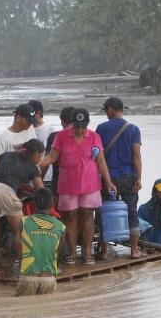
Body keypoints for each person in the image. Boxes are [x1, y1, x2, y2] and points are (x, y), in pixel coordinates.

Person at [39, 108, 115, 265]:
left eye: (82, 126)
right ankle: (73, 252)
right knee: (70, 217)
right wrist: (38, 165)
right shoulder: (61, 136)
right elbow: (52, 156)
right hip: (67, 184)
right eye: (76, 126)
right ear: (72, 124)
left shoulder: (94, 136)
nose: (79, 130)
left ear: (87, 124)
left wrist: (108, 181)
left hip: (90, 184)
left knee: (88, 216)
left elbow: (101, 161)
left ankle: (87, 253)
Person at [0, 139, 45, 278]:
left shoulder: (6, 154)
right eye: (41, 154)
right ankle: (25, 268)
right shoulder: (32, 166)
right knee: (20, 230)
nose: (41, 158)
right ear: (35, 154)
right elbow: (41, 190)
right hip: (5, 191)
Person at [95, 96, 144, 258]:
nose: (106, 114)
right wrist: (139, 178)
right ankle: (134, 250)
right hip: (129, 176)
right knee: (131, 211)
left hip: (108, 178)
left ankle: (102, 250)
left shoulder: (101, 129)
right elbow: (137, 156)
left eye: (106, 110)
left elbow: (98, 155)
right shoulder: (134, 129)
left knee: (103, 211)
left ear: (111, 109)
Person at [17, 187, 66, 296]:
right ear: (52, 204)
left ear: (33, 203)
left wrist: (23, 268)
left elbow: (17, 248)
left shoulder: (23, 222)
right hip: (48, 278)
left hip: (28, 276)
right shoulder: (61, 227)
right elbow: (59, 255)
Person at [42, 105, 75, 195]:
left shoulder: (54, 136)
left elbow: (46, 163)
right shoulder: (86, 136)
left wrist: (40, 179)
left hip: (58, 182)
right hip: (79, 182)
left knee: (59, 208)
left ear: (62, 121)